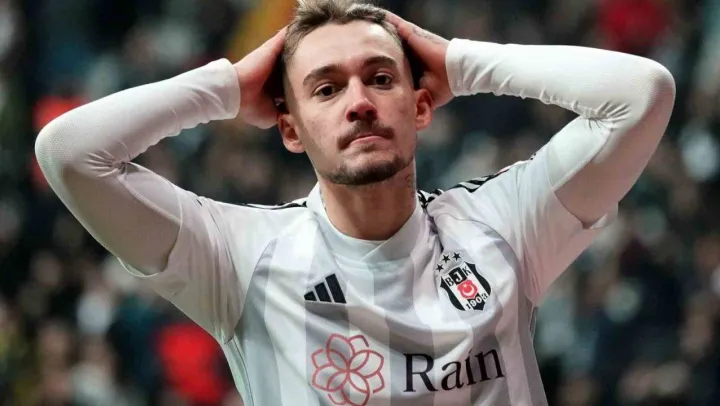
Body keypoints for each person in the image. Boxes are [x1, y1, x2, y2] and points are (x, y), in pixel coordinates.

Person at [34, 0, 676, 404]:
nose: (360, 102)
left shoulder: (502, 225)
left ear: (421, 105)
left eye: (380, 78)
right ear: (289, 129)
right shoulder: (238, 260)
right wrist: (227, 85)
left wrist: (462, 62)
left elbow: (642, 93)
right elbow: (68, 152)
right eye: (325, 89)